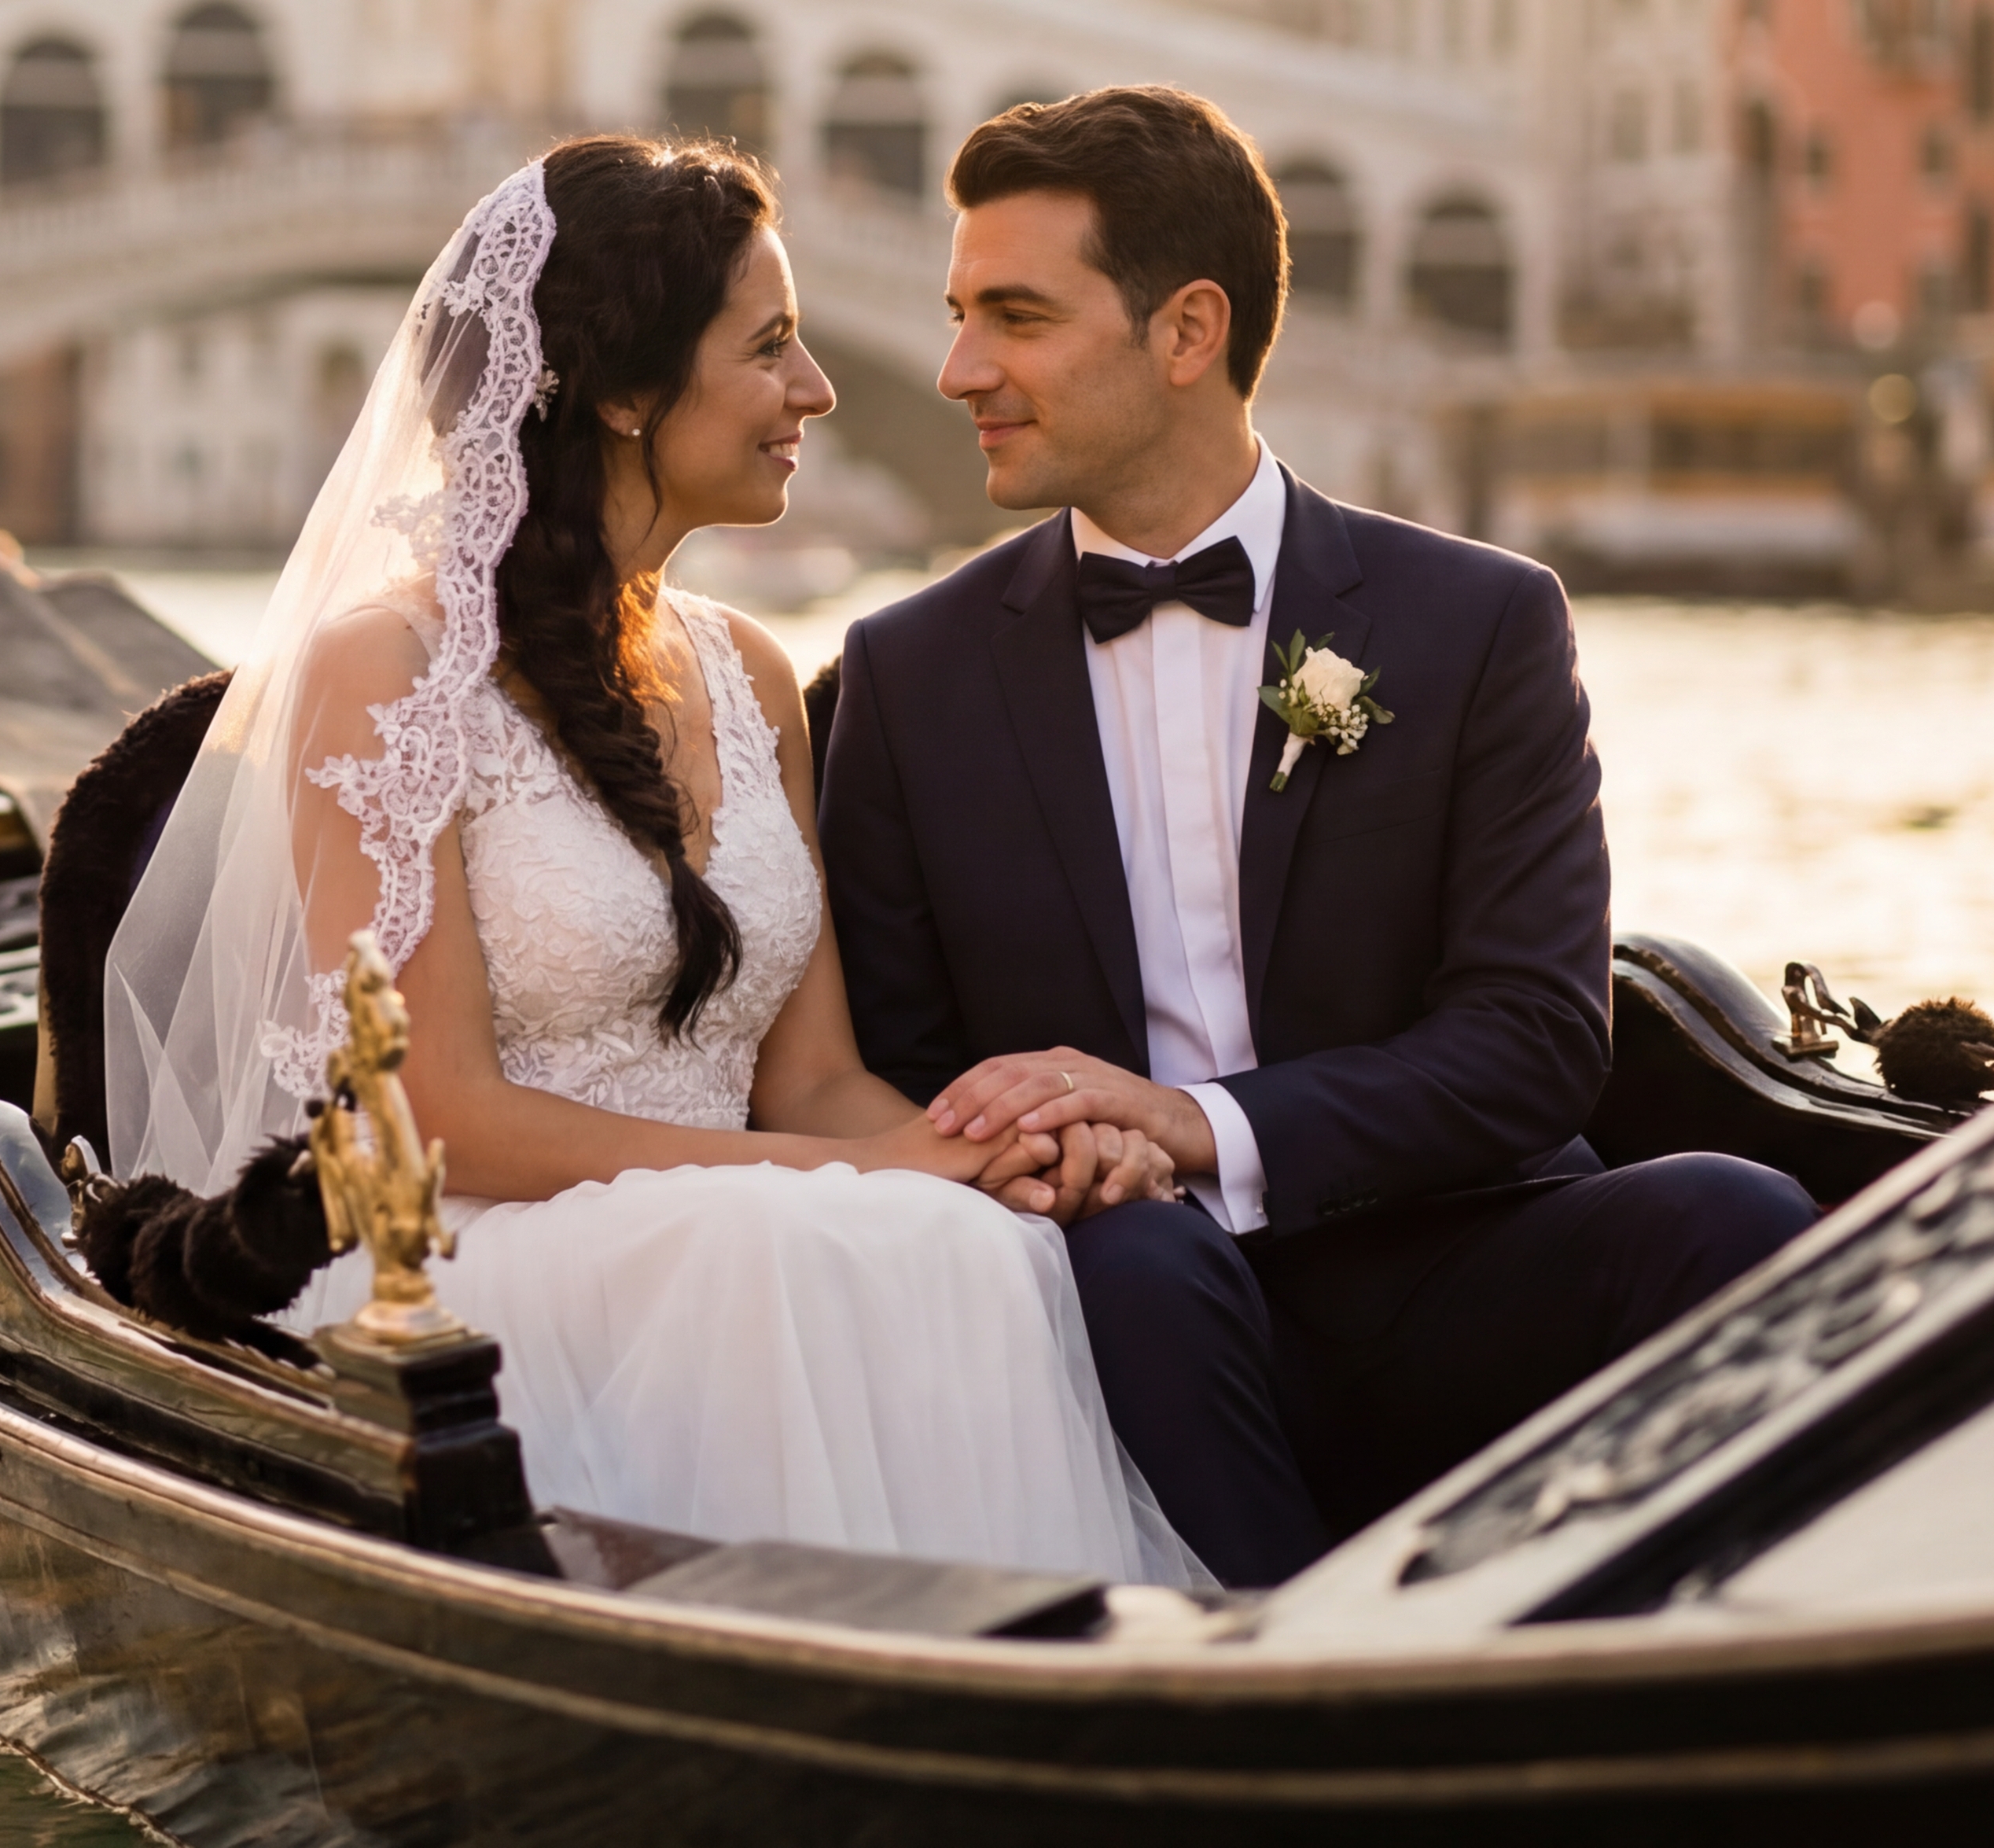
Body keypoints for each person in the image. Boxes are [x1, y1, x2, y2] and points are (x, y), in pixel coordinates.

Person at [102, 136, 1208, 1584]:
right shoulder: (385, 673)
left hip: (746, 1229)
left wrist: (996, 1151)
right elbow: (431, 1115)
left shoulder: (748, 673)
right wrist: (845, 1172)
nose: (819, 390)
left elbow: (810, 1080)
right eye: (772, 348)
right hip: (486, 1258)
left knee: (970, 1246)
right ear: (624, 392)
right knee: (794, 1249)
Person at [820, 85, 1819, 1588]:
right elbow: (898, 1063)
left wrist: (1198, 1124)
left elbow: (1539, 1036)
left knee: (1734, 1214)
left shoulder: (1480, 621)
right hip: (1106, 1290)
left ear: (1186, 331)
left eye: (1014, 317)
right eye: (960, 315)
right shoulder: (907, 677)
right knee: (1144, 1271)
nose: (960, 369)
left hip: (1450, 1253)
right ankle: (1315, 1710)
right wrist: (1074, 1152)